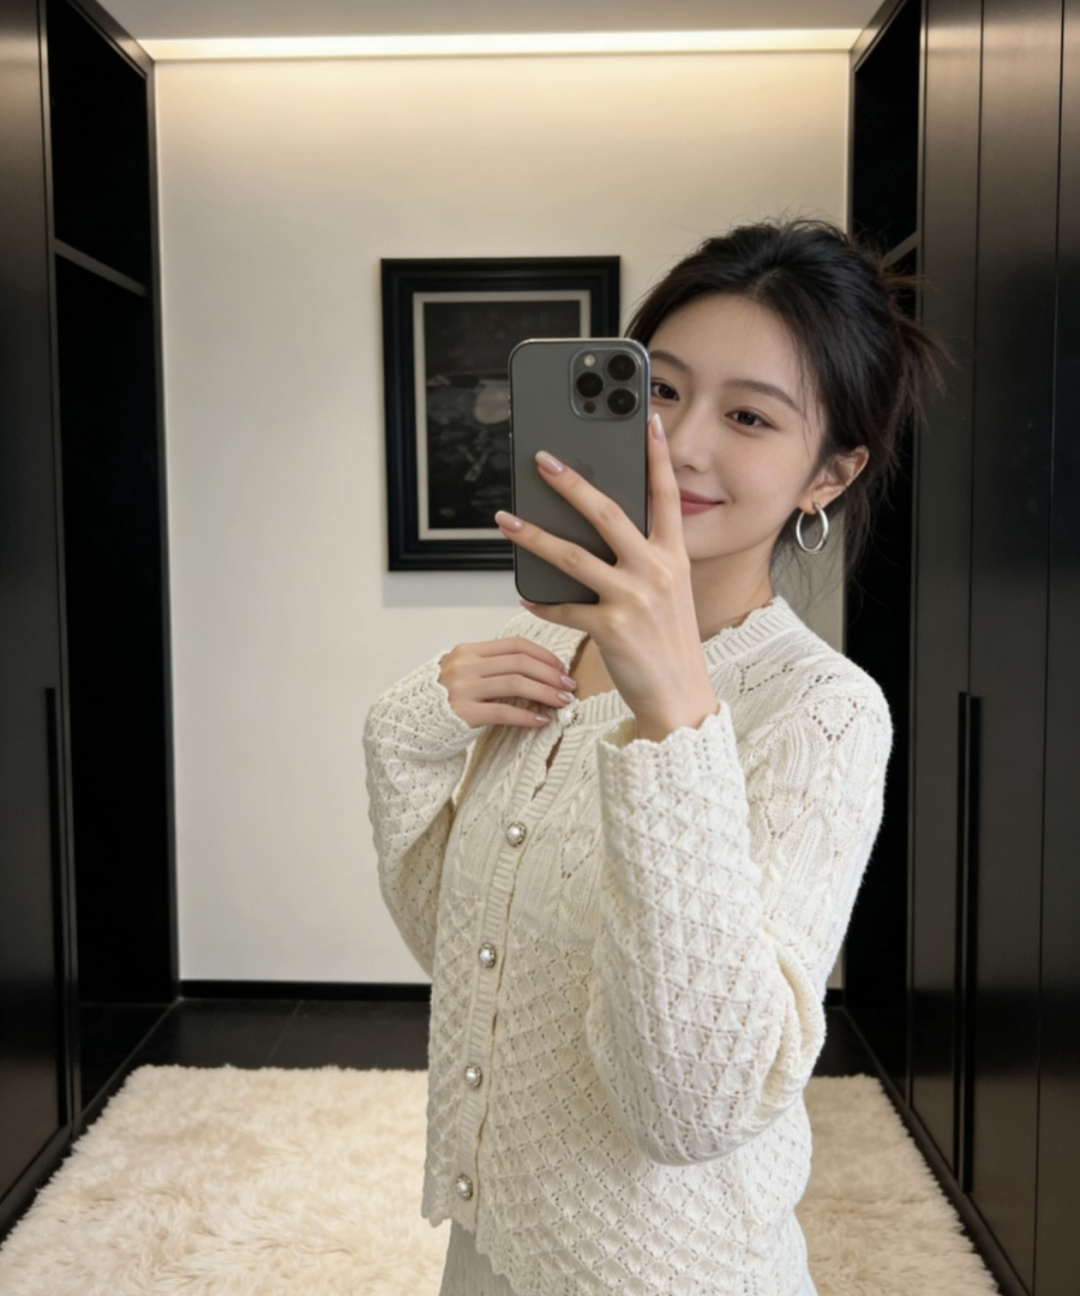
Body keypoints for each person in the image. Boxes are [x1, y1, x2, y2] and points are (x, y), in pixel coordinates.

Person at [362, 218, 942, 1296]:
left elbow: (690, 1111)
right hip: (493, 1252)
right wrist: (408, 731)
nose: (676, 443)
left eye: (750, 415)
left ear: (829, 474)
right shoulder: (543, 649)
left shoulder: (823, 714)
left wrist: (676, 715)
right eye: (659, 390)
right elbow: (467, 953)